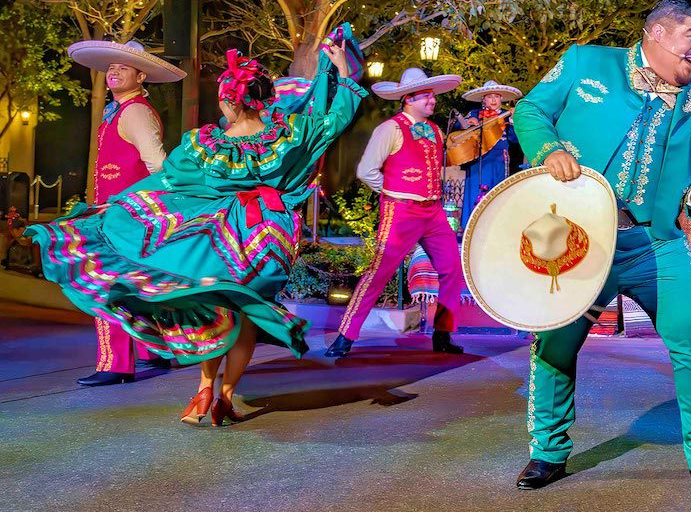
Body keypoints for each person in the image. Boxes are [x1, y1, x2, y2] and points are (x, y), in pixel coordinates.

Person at [28, 28, 367, 425]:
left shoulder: (205, 144)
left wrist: (118, 206)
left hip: (219, 234)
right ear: (263, 100)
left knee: (216, 307)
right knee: (246, 312)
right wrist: (344, 75)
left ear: (227, 99)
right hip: (266, 237)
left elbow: (168, 179)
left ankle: (205, 388)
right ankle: (225, 395)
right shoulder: (292, 133)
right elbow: (336, 119)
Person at [509, 0, 691, 502]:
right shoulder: (586, 62)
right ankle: (548, 452)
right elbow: (530, 110)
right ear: (657, 33)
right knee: (555, 345)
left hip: (655, 244)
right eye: (690, 38)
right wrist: (548, 149)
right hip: (579, 241)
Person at [61, 38, 185, 387]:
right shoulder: (120, 110)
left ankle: (114, 363)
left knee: (103, 284)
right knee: (131, 284)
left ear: (141, 75)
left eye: (123, 67)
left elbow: (158, 165)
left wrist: (137, 206)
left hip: (123, 217)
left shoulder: (134, 111)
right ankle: (152, 351)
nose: (113, 71)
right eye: (111, 67)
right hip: (115, 215)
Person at [326, 66, 468, 359]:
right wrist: (393, 191)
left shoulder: (434, 131)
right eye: (426, 96)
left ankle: (443, 334)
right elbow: (366, 171)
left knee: (453, 268)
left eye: (432, 95)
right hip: (401, 211)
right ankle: (346, 335)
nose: (432, 101)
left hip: (433, 211)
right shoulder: (389, 128)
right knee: (379, 272)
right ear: (409, 99)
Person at [453, 79, 521, 229]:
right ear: (483, 99)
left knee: (496, 193)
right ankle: (471, 228)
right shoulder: (475, 113)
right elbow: (458, 128)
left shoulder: (506, 115)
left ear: (501, 98)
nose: (494, 100)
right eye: (490, 97)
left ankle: (495, 228)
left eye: (496, 97)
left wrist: (513, 121)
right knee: (475, 190)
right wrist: (466, 123)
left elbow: (514, 140)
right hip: (478, 157)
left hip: (499, 158)